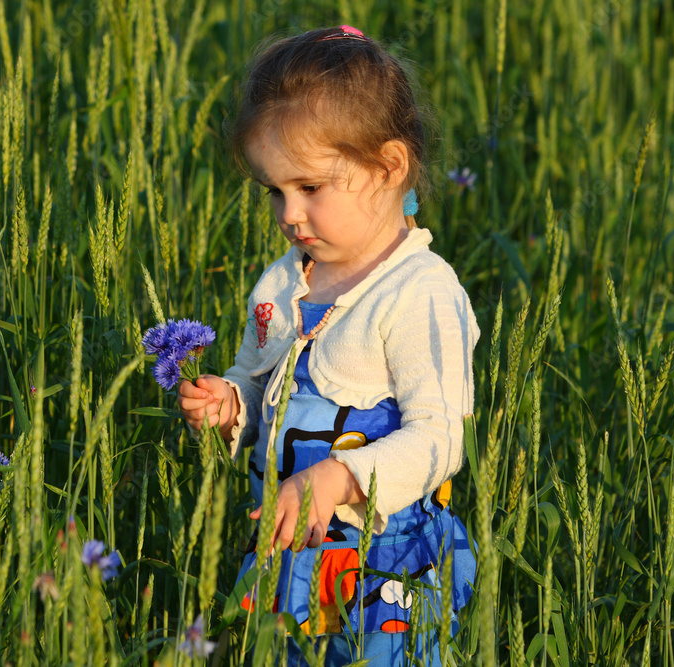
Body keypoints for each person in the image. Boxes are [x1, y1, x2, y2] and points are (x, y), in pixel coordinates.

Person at [177, 26, 479, 665]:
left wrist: (342, 477)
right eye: (275, 192)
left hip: (383, 563)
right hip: (291, 554)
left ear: (389, 167)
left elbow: (439, 438)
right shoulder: (285, 279)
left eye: (310, 188)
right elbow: (264, 385)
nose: (290, 214)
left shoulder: (420, 291)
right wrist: (232, 404)